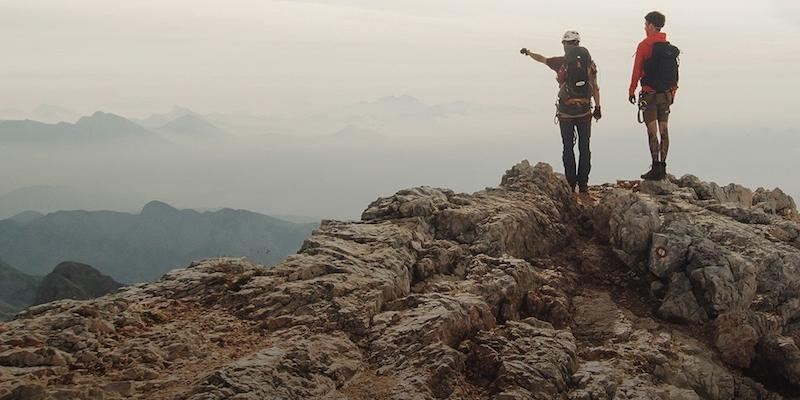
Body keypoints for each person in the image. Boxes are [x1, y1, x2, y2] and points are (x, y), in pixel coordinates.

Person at [521, 30, 602, 196]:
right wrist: (598, 107)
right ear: (578, 43)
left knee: (568, 147)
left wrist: (529, 53)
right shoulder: (590, 64)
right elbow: (595, 86)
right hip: (584, 110)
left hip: (566, 111)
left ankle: (571, 184)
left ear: (565, 44)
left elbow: (542, 59)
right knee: (584, 147)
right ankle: (583, 184)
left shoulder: (561, 62)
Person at [629, 11, 680, 180]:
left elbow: (637, 70)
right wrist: (672, 93)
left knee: (652, 131)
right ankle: (663, 167)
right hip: (665, 95)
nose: (645, 28)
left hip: (649, 94)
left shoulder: (645, 45)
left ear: (651, 25)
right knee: (664, 129)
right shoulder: (669, 48)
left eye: (646, 25)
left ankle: (655, 166)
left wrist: (631, 90)